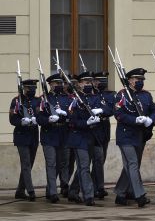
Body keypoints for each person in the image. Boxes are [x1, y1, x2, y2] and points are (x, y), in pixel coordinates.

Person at [113, 67, 155, 207]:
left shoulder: (146, 95)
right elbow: (118, 114)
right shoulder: (122, 95)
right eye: (137, 79)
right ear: (130, 80)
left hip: (139, 135)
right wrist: (134, 120)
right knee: (132, 163)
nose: (140, 82)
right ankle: (139, 195)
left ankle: (120, 193)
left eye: (142, 80)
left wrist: (150, 120)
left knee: (131, 165)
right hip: (125, 135)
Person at [36, 73, 72, 203]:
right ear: (50, 85)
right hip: (49, 135)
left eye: (60, 83)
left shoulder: (67, 98)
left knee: (63, 163)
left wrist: (66, 115)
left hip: (63, 134)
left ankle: (63, 186)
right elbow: (39, 118)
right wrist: (48, 119)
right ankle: (52, 192)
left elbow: (72, 113)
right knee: (51, 164)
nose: (59, 86)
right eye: (56, 84)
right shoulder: (44, 99)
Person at [66, 72, 99, 205]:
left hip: (92, 137)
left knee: (83, 167)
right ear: (79, 84)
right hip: (78, 137)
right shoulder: (73, 99)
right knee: (84, 166)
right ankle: (89, 196)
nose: (88, 84)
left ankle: (73, 191)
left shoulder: (94, 98)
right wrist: (86, 123)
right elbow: (71, 121)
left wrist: (100, 113)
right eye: (85, 82)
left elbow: (105, 109)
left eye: (89, 82)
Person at [9, 77, 40, 201]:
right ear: (24, 88)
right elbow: (12, 119)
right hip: (21, 136)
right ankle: (30, 190)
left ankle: (20, 190)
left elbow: (41, 115)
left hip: (33, 135)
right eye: (29, 88)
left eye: (34, 88)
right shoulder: (16, 101)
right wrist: (21, 121)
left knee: (29, 164)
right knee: (26, 163)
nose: (32, 90)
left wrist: (36, 119)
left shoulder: (38, 101)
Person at [91, 71, 115, 199]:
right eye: (98, 81)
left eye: (103, 80)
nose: (101, 83)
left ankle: (94, 185)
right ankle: (98, 187)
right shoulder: (91, 94)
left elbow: (112, 109)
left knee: (101, 159)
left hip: (105, 128)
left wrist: (102, 110)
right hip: (94, 128)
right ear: (94, 82)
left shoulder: (110, 95)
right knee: (98, 159)